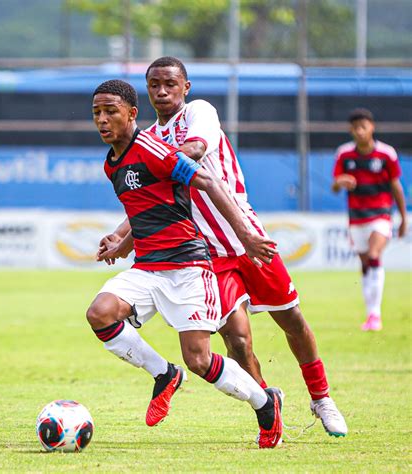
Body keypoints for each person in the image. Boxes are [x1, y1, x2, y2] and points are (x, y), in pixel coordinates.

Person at [99, 57, 348, 438]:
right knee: (237, 339)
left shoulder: (198, 112)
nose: (162, 92)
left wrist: (159, 159)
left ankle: (322, 397)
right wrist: (121, 235)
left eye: (170, 84)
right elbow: (152, 198)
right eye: (154, 86)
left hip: (246, 237)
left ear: (186, 87)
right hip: (205, 252)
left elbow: (195, 151)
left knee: (291, 319)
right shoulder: (146, 138)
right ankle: (267, 406)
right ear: (146, 92)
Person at [88, 78, 283, 448]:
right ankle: (164, 375)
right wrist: (120, 242)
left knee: (200, 360)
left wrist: (246, 237)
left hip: (187, 267)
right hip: (147, 268)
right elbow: (149, 210)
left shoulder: (152, 149)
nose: (102, 119)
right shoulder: (112, 163)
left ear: (131, 114)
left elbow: (207, 181)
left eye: (110, 111)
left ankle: (265, 402)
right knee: (100, 313)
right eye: (97, 112)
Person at [332, 108, 407, 331]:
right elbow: (334, 185)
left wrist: (403, 217)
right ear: (351, 130)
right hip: (356, 218)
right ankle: (370, 313)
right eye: (355, 128)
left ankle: (376, 315)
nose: (359, 131)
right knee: (365, 264)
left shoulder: (386, 154)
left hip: (381, 215)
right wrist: (341, 181)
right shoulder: (344, 154)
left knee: (374, 256)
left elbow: (396, 186)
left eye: (363, 126)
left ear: (371, 127)